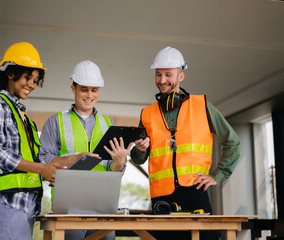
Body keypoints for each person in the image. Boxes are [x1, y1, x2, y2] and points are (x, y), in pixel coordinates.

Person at [130, 47, 241, 240]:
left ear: (180, 76)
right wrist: (139, 150)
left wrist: (218, 175)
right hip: (161, 198)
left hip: (195, 192)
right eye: (158, 74)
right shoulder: (147, 114)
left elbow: (233, 142)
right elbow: (138, 158)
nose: (162, 80)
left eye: (168, 75)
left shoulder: (203, 106)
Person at [0, 42, 63, 240]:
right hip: (8, 200)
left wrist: (69, 160)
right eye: (27, 78)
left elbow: (36, 158)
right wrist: (42, 170)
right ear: (10, 74)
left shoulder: (21, 115)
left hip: (25, 202)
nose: (31, 84)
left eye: (35, 80)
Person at [39, 60, 133, 240]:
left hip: (103, 209)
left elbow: (113, 169)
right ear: (73, 88)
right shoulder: (55, 122)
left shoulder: (109, 124)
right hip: (68, 209)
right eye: (84, 89)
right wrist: (74, 158)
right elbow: (43, 161)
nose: (90, 95)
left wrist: (119, 164)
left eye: (94, 89)